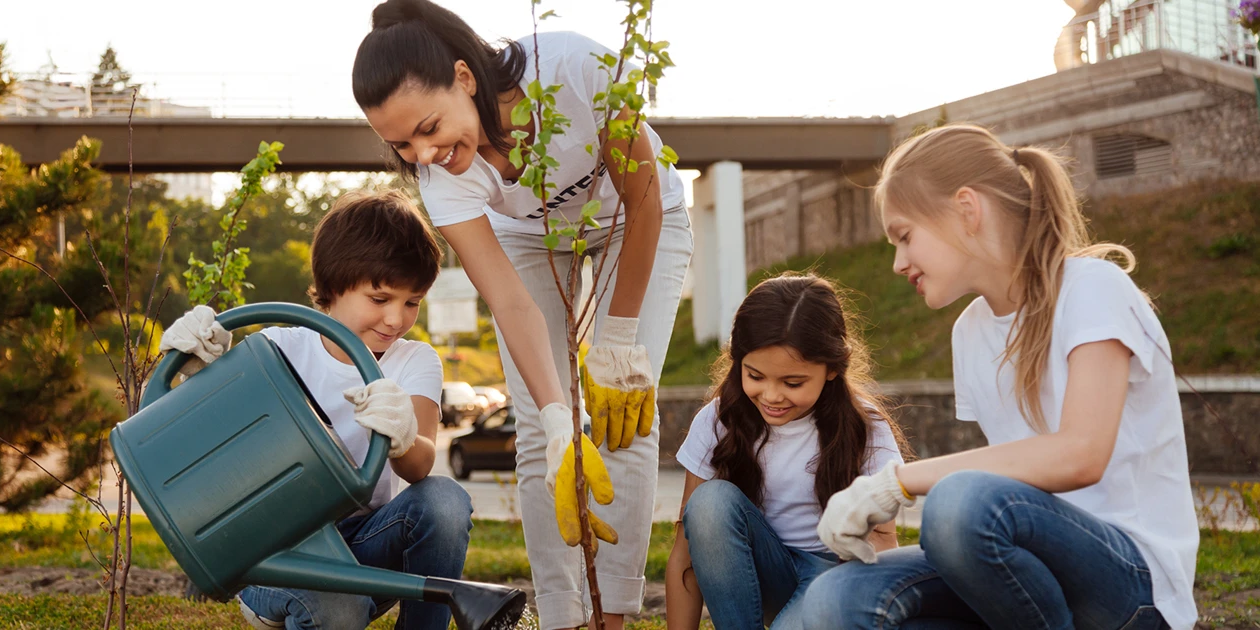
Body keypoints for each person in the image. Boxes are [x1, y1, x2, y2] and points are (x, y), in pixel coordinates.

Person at [352, 1, 693, 628]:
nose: (423, 154)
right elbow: (510, 302)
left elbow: (641, 202)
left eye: (428, 128)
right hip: (528, 236)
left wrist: (618, 341)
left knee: (627, 415)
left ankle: (610, 615)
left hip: (635, 218)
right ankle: (565, 617)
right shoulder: (443, 178)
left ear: (464, 77)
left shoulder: (574, 68)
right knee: (539, 429)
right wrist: (562, 416)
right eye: (402, 144)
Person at [803, 124, 1198, 629]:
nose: (899, 262)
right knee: (835, 600)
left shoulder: (1093, 288)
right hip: (1034, 583)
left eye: (905, 236)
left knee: (959, 505)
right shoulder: (970, 333)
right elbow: (1011, 492)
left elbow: (1081, 454)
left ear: (967, 209)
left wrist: (895, 484)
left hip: (1132, 587)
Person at [160, 190, 472, 630]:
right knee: (336, 607)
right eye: (380, 299)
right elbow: (203, 445)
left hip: (362, 545)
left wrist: (402, 435)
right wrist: (197, 372)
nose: (396, 319)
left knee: (445, 501)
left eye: (412, 302)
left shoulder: (413, 360)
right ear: (331, 287)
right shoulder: (276, 348)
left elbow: (420, 466)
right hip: (275, 554)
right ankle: (312, 609)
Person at [664, 273, 908, 630]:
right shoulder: (718, 421)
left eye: (792, 383)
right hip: (760, 576)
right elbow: (684, 556)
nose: (772, 396)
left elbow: (883, 541)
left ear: (833, 369)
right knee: (708, 503)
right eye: (755, 375)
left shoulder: (864, 427)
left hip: (835, 579)